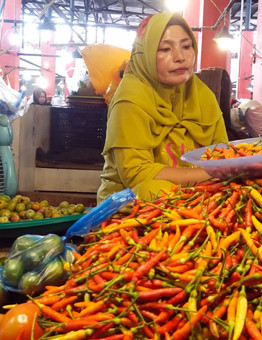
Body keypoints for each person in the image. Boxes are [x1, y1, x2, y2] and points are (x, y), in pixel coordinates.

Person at [97, 12, 228, 203]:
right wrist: (213, 174)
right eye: (165, 49)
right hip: (131, 207)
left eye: (186, 46)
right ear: (146, 55)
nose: (179, 57)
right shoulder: (130, 99)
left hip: (197, 197)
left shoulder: (203, 96)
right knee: (156, 190)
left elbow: (224, 155)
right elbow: (136, 174)